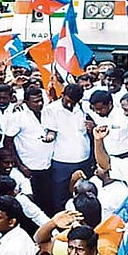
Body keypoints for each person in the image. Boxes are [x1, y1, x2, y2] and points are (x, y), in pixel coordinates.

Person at [3, 85, 55, 215]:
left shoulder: (47, 113)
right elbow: (8, 142)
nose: (39, 104)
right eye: (35, 101)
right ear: (26, 102)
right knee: (33, 204)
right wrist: (20, 165)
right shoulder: (18, 116)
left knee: (48, 201)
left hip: (47, 166)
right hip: (29, 167)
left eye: (41, 100)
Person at [42, 84, 92, 213]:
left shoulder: (84, 108)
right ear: (62, 95)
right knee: (60, 195)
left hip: (84, 158)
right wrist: (50, 136)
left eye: (73, 102)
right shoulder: (51, 109)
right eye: (67, 101)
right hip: (62, 160)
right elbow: (51, 130)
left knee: (83, 193)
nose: (69, 104)